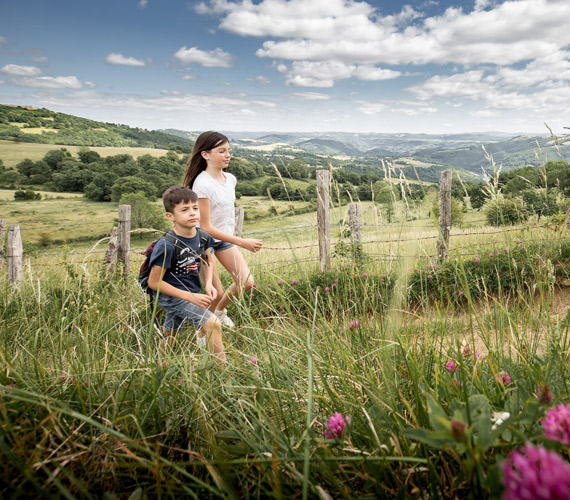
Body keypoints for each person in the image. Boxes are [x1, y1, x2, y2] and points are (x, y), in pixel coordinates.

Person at [182, 131, 262, 327]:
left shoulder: (231, 179)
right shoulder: (201, 184)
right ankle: (204, 332)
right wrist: (242, 242)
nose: (227, 155)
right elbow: (206, 227)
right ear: (205, 155)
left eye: (228, 151)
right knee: (214, 292)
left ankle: (219, 312)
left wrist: (233, 239)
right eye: (221, 151)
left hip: (225, 240)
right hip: (204, 242)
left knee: (247, 282)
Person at [147, 186, 226, 362]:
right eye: (184, 210)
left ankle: (160, 364)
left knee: (172, 329)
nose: (192, 213)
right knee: (212, 323)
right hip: (170, 295)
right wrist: (190, 297)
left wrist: (208, 284)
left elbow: (207, 259)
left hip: (191, 291)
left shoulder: (203, 236)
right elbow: (154, 283)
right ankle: (223, 374)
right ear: (170, 216)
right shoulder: (166, 245)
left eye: (195, 208)